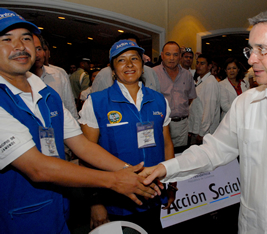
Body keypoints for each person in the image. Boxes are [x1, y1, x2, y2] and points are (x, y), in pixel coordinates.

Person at [141, 9, 267, 233]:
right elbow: (212, 151)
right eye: (250, 49)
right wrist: (165, 168)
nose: (251, 59)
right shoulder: (246, 104)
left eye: (263, 49)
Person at [0, 8, 160, 233]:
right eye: (7, 39)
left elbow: (82, 145)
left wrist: (131, 171)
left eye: (26, 38)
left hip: (58, 212)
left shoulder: (47, 94)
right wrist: (113, 181)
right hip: (16, 220)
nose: (19, 46)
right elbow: (38, 168)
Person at [79, 40, 176, 232]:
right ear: (113, 69)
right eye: (121, 60)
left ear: (142, 64)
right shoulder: (96, 102)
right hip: (115, 200)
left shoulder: (158, 100)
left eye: (134, 59)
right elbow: (86, 158)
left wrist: (171, 184)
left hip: (153, 194)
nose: (129, 65)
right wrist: (95, 202)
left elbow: (167, 145)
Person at [153, 41, 197, 148]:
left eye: (175, 55)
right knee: (160, 155)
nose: (172, 58)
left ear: (180, 57)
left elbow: (190, 98)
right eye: (168, 54)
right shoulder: (152, 73)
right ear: (162, 55)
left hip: (181, 125)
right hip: (160, 123)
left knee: (180, 157)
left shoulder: (187, 75)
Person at [30, 34, 78, 120]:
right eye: (32, 49)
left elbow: (70, 108)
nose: (37, 54)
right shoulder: (17, 79)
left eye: (39, 49)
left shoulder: (58, 75)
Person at [91, 33, 160, 93]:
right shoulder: (104, 74)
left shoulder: (151, 72)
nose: (129, 64)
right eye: (121, 60)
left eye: (133, 58)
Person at [188, 54, 220, 145]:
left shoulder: (210, 82)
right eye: (197, 63)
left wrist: (202, 133)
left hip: (204, 133)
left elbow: (209, 110)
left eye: (202, 63)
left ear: (209, 66)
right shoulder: (200, 81)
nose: (198, 66)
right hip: (196, 130)